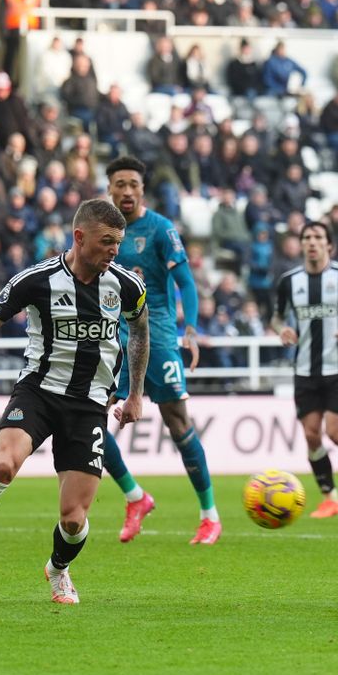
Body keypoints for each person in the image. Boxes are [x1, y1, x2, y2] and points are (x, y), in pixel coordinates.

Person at [0, 199, 149, 604]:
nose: (114, 251)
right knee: (3, 464)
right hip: (38, 391)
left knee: (74, 519)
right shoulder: (37, 279)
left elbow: (140, 332)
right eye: (107, 242)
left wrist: (135, 393)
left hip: (89, 403)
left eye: (118, 243)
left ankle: (58, 569)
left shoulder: (127, 285)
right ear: (79, 237)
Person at [101, 156, 222, 545]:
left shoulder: (159, 229)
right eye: (119, 183)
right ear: (110, 189)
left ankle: (209, 515)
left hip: (159, 335)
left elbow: (185, 281)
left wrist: (190, 327)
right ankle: (135, 497)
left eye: (133, 183)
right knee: (86, 422)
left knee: (177, 422)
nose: (127, 190)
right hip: (112, 336)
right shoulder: (100, 229)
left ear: (142, 189)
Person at [272, 222, 338, 518]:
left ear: (329, 245)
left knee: (337, 434)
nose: (311, 242)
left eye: (318, 237)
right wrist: (282, 330)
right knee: (310, 435)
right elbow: (276, 317)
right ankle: (331, 498)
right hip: (305, 369)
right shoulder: (289, 281)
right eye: (306, 237)